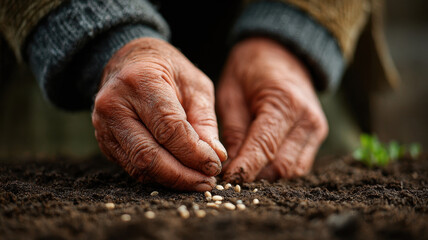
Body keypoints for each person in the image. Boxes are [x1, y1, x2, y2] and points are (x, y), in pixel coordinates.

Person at [0, 0, 398, 191]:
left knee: (302, 157)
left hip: (282, 44)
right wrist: (103, 38)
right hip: (68, 49)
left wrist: (295, 34)